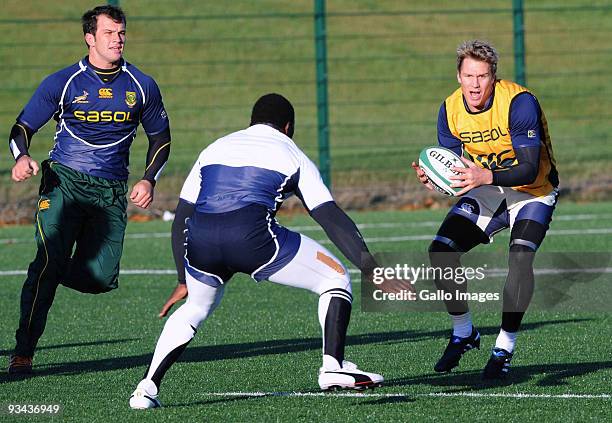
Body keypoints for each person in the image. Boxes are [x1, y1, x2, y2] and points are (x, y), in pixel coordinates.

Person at [129, 93, 383, 409]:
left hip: (200, 240)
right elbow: (329, 215)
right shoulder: (293, 154)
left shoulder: (215, 147)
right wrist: (369, 265)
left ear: (251, 122)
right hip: (250, 237)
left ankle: (146, 388)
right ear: (288, 127)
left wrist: (183, 275)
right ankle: (332, 366)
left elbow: (182, 215)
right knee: (334, 278)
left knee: (195, 306)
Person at [7, 5, 171, 374]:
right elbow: (21, 129)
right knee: (47, 264)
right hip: (64, 182)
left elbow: (161, 138)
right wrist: (22, 158)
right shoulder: (62, 82)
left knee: (99, 280)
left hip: (111, 192)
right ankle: (23, 351)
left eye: (122, 32)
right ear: (90, 38)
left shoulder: (141, 85)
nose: (118, 39)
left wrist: (148, 178)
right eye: (110, 33)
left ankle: (50, 267)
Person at [411, 40, 558, 379]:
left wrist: (484, 175)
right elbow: (454, 172)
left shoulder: (519, 103)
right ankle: (464, 332)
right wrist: (433, 179)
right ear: (458, 76)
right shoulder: (449, 109)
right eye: (468, 75)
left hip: (533, 191)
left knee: (520, 258)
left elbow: (530, 168)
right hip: (487, 188)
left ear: (494, 76)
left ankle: (504, 347)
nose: (475, 84)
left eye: (482, 76)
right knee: (441, 252)